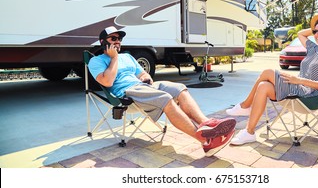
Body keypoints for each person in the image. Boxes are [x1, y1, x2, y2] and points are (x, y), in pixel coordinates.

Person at [88, 26, 236, 156]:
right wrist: (114, 59)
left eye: (119, 39)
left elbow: (142, 74)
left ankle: (207, 124)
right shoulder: (96, 61)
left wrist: (146, 78)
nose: (117, 41)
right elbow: (107, 81)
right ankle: (206, 140)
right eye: (113, 38)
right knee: (165, 98)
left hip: (143, 87)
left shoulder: (127, 57)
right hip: (128, 92)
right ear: (103, 42)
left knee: (179, 89)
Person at [226, 15, 318, 145]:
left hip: (308, 94)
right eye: (315, 31)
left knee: (268, 72)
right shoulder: (313, 49)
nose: (316, 34)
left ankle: (245, 106)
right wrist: (315, 29)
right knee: (263, 86)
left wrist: (299, 81)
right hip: (297, 86)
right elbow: (301, 34)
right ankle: (249, 132)